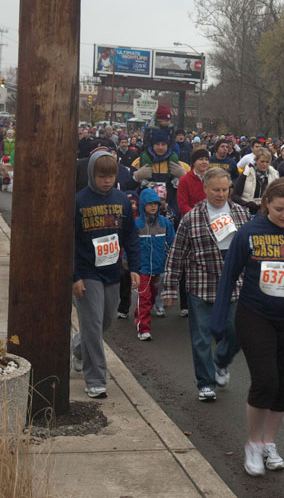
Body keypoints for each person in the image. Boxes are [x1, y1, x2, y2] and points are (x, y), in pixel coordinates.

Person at [212, 178, 284, 476]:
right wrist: (219, 318)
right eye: (279, 210)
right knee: (265, 379)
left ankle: (269, 443)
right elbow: (229, 276)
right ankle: (252, 443)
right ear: (265, 206)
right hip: (255, 315)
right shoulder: (248, 233)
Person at [162, 167, 248, 402]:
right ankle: (205, 383)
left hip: (233, 284)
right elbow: (177, 255)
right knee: (201, 337)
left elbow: (251, 252)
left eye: (225, 189)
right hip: (201, 283)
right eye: (216, 190)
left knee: (235, 331)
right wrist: (169, 288)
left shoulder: (240, 213)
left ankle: (221, 361)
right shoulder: (192, 218)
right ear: (205, 189)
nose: (221, 194)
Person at [72, 151, 141, 398]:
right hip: (87, 271)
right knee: (92, 324)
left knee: (105, 321)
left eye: (111, 175)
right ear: (92, 174)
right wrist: (75, 276)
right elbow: (69, 240)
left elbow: (131, 236)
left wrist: (134, 267)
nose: (107, 180)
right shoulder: (79, 201)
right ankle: (95, 379)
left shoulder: (122, 200)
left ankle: (79, 346)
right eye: (102, 176)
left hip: (112, 271)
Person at [133, 188, 175, 341]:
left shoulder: (165, 223)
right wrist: (128, 265)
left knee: (150, 298)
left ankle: (140, 313)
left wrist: (173, 262)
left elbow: (173, 243)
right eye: (149, 204)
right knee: (144, 297)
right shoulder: (136, 224)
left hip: (159, 267)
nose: (153, 207)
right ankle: (144, 329)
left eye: (156, 204)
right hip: (141, 268)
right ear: (143, 205)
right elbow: (130, 246)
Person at [132, 128, 190, 224]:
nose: (160, 147)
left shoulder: (181, 165)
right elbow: (127, 187)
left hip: (170, 214)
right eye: (157, 144)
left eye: (163, 144)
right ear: (152, 145)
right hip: (145, 216)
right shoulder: (139, 162)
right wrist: (136, 177)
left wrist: (184, 177)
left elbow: (187, 191)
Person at [232, 148, 279, 216]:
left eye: (267, 162)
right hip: (247, 210)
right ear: (256, 160)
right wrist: (246, 204)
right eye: (262, 161)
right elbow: (235, 196)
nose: (264, 164)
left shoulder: (274, 175)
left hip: (266, 211)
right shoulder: (246, 173)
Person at [177, 148, 210, 216]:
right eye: (201, 159)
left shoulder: (211, 179)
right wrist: (198, 215)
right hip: (191, 218)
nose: (204, 162)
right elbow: (183, 205)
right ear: (194, 162)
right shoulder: (184, 180)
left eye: (206, 159)